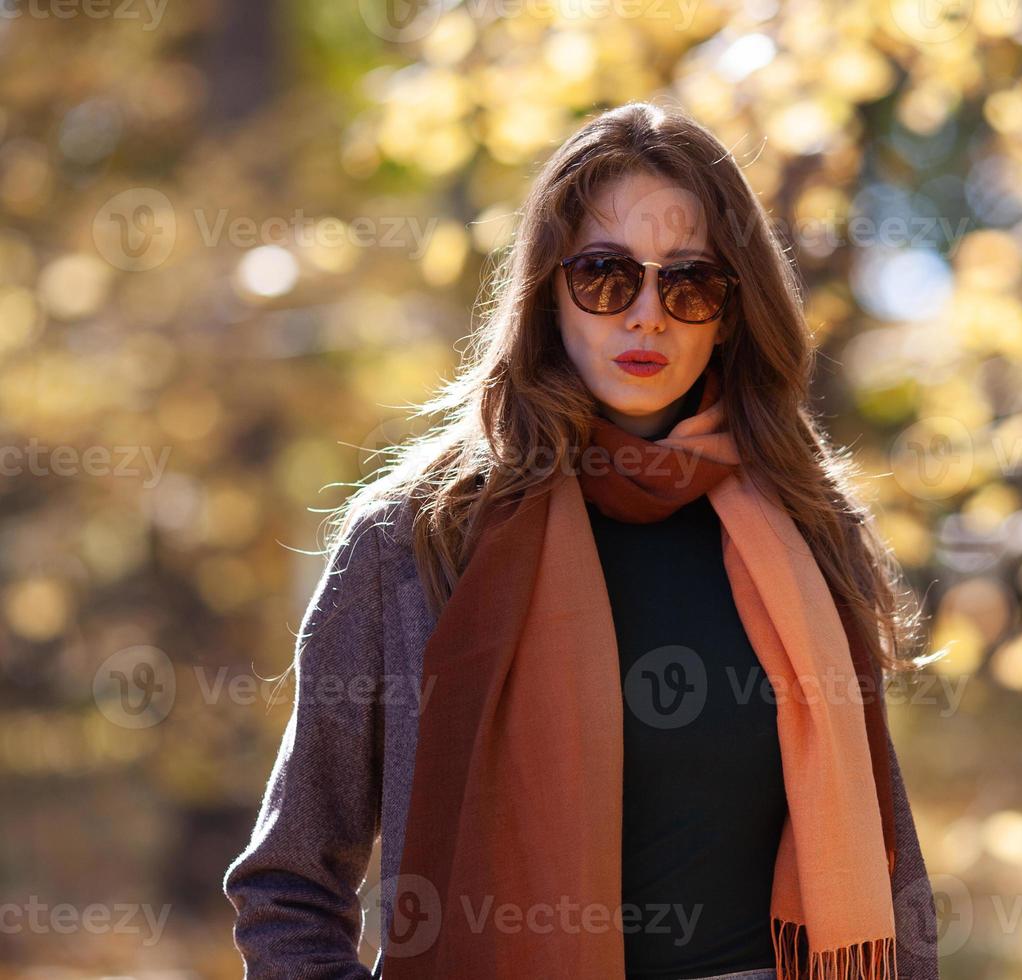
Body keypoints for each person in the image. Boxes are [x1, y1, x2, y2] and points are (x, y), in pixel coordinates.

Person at [223, 100, 940, 980]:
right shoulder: (416, 539)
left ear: (730, 310)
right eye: (605, 275)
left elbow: (889, 867)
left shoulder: (804, 523)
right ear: (547, 290)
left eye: (689, 283)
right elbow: (289, 885)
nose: (647, 316)